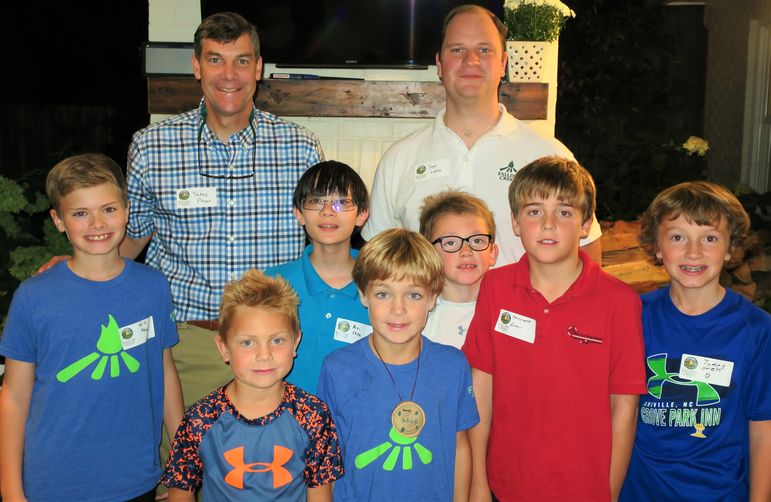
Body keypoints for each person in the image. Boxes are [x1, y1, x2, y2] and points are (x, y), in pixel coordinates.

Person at [122, 12, 324, 411]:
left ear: (259, 68)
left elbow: (325, 239)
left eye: (242, 60)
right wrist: (76, 270)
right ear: (196, 66)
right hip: (187, 343)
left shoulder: (300, 147)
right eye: (216, 59)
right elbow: (131, 240)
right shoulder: (151, 147)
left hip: (273, 347)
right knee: (184, 468)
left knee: (270, 469)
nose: (229, 74)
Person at [0, 154, 183, 501]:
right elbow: (14, 395)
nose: (97, 223)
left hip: (136, 477)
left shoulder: (153, 287)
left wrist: (182, 460)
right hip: (55, 483)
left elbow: (165, 371)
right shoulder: (34, 297)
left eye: (109, 209)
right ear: (58, 220)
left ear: (128, 211)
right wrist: (10, 489)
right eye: (80, 213)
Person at [362, 4, 603, 267]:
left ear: (503, 64)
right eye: (457, 50)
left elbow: (586, 255)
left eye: (484, 50)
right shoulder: (399, 159)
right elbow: (378, 263)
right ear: (440, 65)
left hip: (524, 310)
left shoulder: (549, 155)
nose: (471, 60)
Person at [463, 156, 646, 501]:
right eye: (534, 212)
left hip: (585, 489)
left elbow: (624, 410)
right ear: (515, 223)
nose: (548, 224)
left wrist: (608, 493)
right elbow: (480, 388)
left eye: (564, 212)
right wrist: (477, 483)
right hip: (505, 483)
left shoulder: (618, 302)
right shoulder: (495, 287)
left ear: (585, 223)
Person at [620, 181, 771, 501]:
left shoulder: (757, 330)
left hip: (720, 493)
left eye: (710, 238)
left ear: (731, 248)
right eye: (677, 237)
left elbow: (763, 430)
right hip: (640, 491)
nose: (693, 252)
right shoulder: (633, 316)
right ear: (657, 246)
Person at [317, 228, 479, 501]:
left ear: (432, 298)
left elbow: (460, 443)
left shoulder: (453, 365)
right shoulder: (337, 369)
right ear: (363, 295)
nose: (398, 308)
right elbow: (324, 454)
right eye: (383, 294)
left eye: (413, 295)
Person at [161, 269, 343, 501]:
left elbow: (320, 496)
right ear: (224, 348)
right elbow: (180, 494)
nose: (264, 355)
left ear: (295, 342)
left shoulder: (314, 416)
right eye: (247, 342)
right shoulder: (200, 419)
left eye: (277, 340)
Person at [264, 160, 371, 394]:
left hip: (355, 424)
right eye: (315, 201)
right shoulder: (270, 284)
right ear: (299, 214)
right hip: (284, 425)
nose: (327, 211)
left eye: (342, 202)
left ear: (362, 215)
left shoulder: (380, 286)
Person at [419, 189, 498, 348]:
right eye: (450, 243)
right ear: (429, 255)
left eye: (477, 241)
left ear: (492, 253)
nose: (466, 251)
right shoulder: (418, 316)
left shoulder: (507, 311)